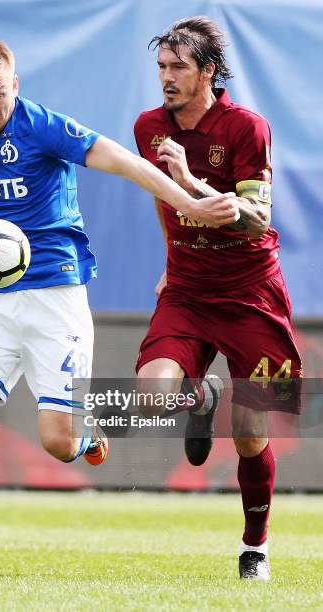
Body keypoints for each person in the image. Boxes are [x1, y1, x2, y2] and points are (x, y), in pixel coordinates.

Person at [0, 37, 238, 579]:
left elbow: (123, 162)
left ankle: (90, 436)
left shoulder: (43, 126)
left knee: (58, 442)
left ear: (15, 86)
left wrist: (188, 202)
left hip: (55, 298)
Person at [134, 16, 302, 581]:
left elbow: (257, 221)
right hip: (187, 288)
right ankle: (198, 401)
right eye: (161, 67)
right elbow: (163, 202)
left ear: (208, 72)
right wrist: (168, 261)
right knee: (151, 398)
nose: (166, 77)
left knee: (252, 432)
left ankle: (254, 548)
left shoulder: (247, 128)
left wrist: (195, 182)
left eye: (178, 67)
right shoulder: (148, 127)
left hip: (251, 290)